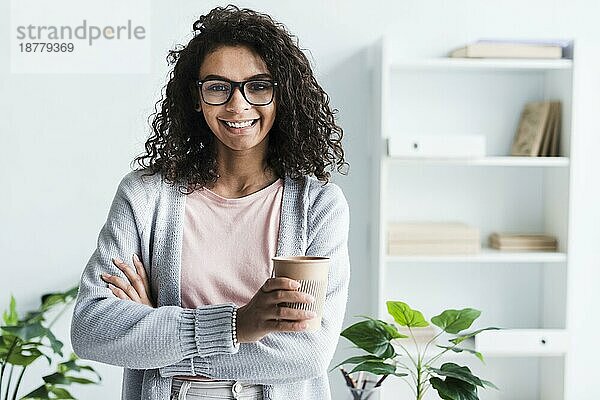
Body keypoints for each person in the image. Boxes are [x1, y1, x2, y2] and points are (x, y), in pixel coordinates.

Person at [71, 5, 350, 400]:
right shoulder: (145, 196)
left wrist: (157, 335)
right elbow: (91, 329)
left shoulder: (318, 205)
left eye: (258, 85)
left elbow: (306, 353)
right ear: (196, 97)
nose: (238, 106)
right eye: (218, 87)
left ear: (282, 94)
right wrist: (236, 326)